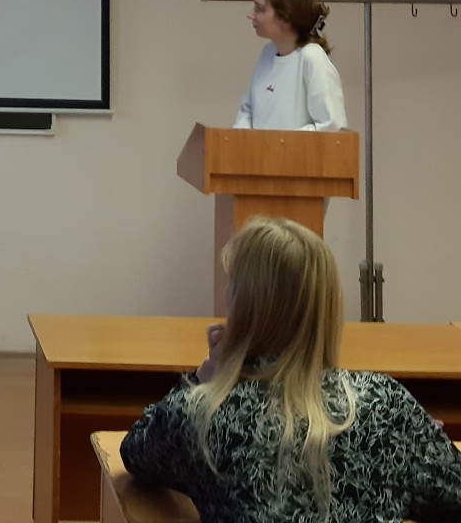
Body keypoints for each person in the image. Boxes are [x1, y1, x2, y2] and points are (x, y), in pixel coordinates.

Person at [120, 218, 461, 522]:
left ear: (245, 306)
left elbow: (137, 451)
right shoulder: (386, 404)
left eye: (231, 286)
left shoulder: (204, 414)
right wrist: (412, 443)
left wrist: (205, 377)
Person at [234, 0, 347, 131]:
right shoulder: (268, 53)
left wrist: (278, 142)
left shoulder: (311, 56)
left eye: (259, 9)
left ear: (286, 17)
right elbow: (247, 111)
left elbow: (331, 126)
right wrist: (243, 138)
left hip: (292, 148)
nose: (251, 15)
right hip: (260, 148)